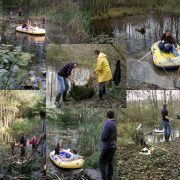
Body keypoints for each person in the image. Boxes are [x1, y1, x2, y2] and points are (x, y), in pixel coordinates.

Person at [99, 111, 117, 180]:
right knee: (110, 162)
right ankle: (110, 178)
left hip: (107, 147)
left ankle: (104, 178)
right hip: (114, 146)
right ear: (113, 115)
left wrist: (101, 139)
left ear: (107, 116)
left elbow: (104, 136)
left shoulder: (108, 123)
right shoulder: (115, 123)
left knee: (101, 162)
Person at [39, 109, 46, 175]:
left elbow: (44, 133)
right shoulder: (43, 121)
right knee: (43, 155)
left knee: (44, 155)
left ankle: (44, 170)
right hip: (43, 141)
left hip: (45, 141)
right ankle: (44, 169)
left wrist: (39, 140)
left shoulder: (45, 121)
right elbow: (42, 133)